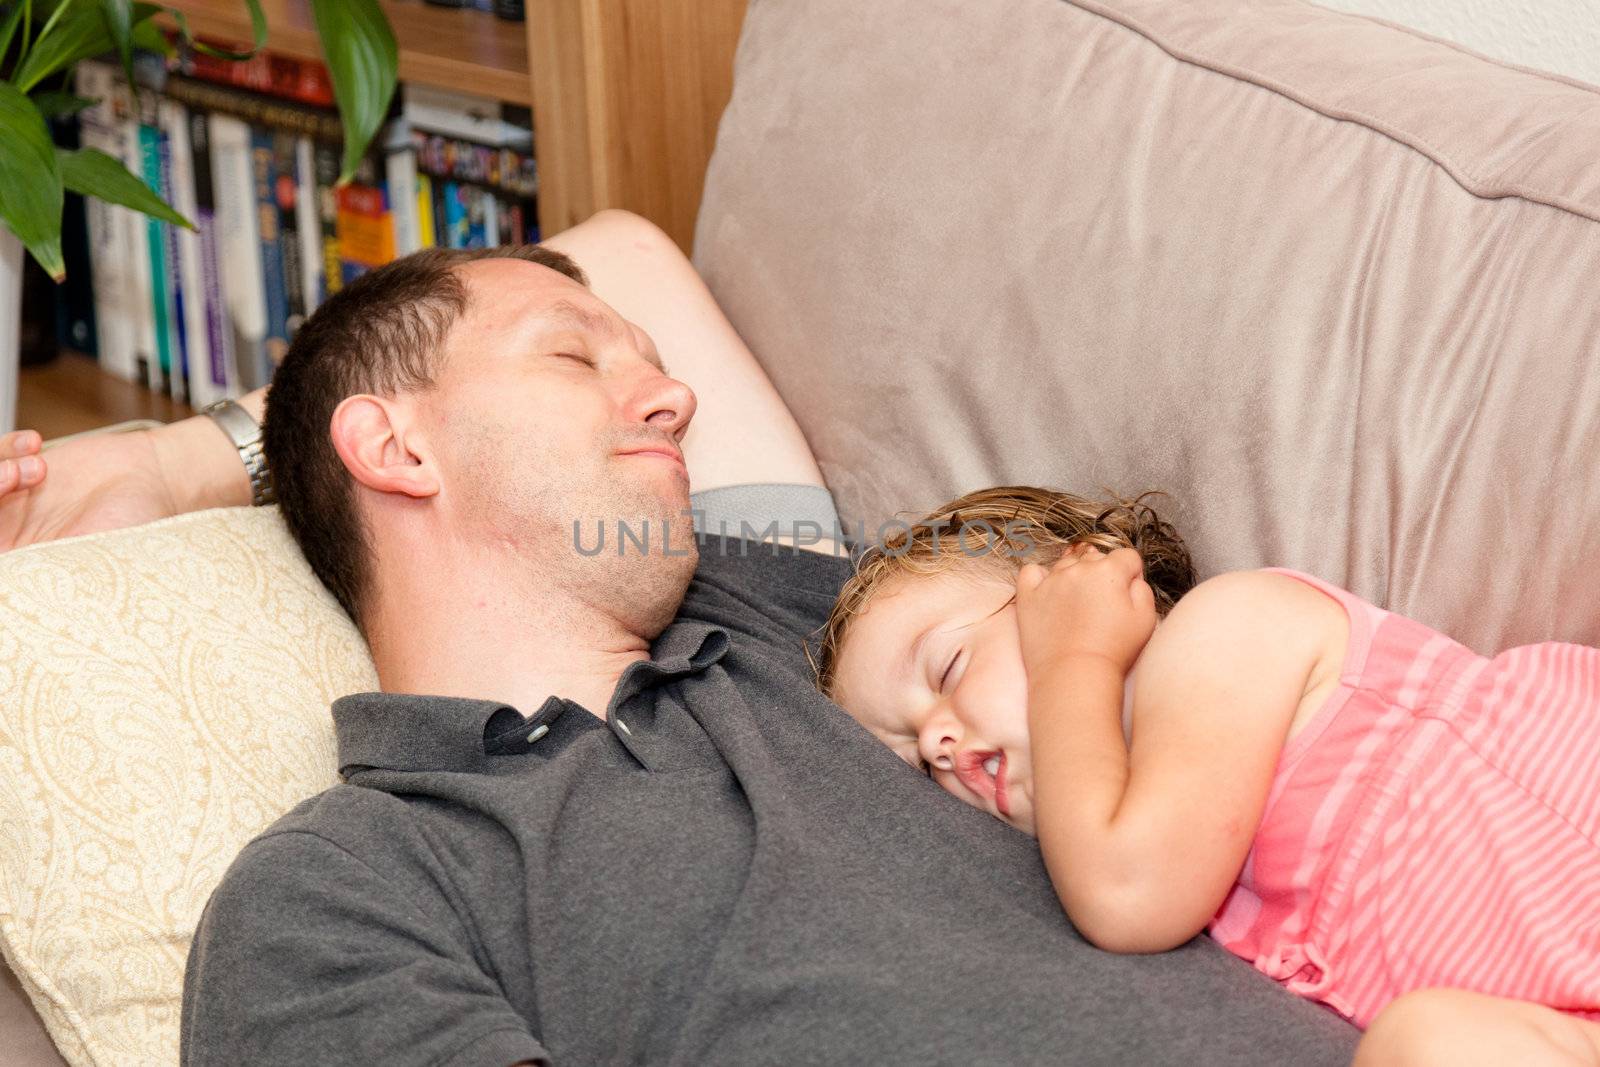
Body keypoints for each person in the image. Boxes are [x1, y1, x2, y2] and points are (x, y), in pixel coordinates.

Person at [0, 211, 1374, 1065]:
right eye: (573, 358)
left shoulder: (802, 622)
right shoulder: (341, 893)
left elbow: (627, 245)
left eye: (646, 362)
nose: (665, 396)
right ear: (396, 443)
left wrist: (181, 456)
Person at [817, 484, 1600, 1066]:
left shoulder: (1226, 627)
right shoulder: (1193, 876)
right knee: (1426, 1045)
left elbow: (1127, 892)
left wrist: (1074, 659)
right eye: (916, 759)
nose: (940, 738)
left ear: (1073, 587)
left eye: (947, 666)